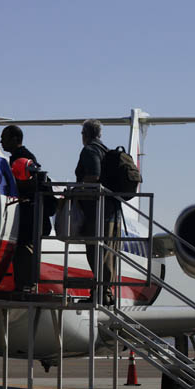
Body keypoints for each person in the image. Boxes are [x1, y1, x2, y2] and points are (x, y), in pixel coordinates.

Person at [74, 119, 119, 305]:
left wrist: (76, 190)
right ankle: (105, 292)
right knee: (107, 254)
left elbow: (94, 176)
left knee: (96, 253)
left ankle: (100, 293)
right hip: (111, 210)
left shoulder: (90, 150)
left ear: (86, 134)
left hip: (97, 211)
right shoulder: (105, 150)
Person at [0, 125, 44, 292]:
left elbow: (33, 183)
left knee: (25, 249)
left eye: (4, 138)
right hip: (25, 210)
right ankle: (23, 284)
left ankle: (26, 285)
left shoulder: (23, 158)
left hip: (28, 211)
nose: (1, 141)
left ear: (15, 139)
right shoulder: (19, 156)